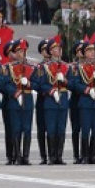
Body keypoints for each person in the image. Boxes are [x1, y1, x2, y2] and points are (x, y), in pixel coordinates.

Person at [0, 39, 34, 165]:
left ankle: (26, 157)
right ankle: (16, 156)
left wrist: (29, 83)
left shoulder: (31, 67)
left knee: (27, 129)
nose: (21, 53)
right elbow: (3, 83)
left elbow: (38, 83)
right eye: (18, 51)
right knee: (15, 129)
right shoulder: (8, 68)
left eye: (23, 51)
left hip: (27, 100)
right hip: (13, 101)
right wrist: (14, 92)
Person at [69, 39, 95, 164]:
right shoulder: (79, 68)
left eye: (94, 51)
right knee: (85, 130)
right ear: (84, 53)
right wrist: (86, 90)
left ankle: (92, 156)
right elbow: (75, 84)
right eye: (89, 51)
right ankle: (84, 155)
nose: (92, 53)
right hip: (85, 102)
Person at [36, 36, 70, 165]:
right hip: (50, 101)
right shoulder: (45, 67)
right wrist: (51, 91)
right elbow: (41, 84)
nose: (58, 50)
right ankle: (51, 156)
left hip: (63, 99)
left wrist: (65, 81)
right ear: (50, 51)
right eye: (55, 48)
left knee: (61, 129)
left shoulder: (66, 66)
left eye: (59, 48)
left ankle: (59, 156)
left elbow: (72, 83)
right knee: (51, 129)